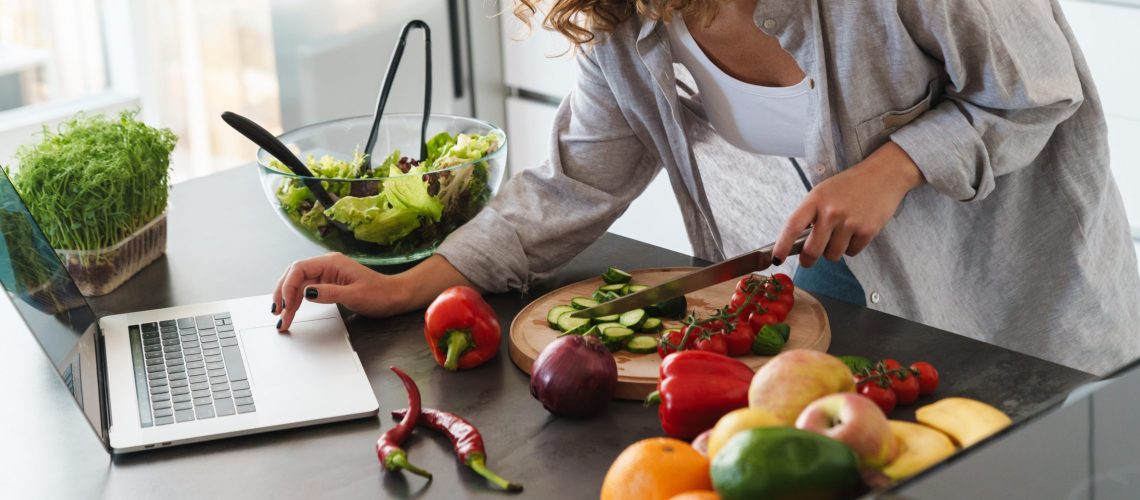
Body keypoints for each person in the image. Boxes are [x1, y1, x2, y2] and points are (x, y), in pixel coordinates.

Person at [272, 0, 1140, 375]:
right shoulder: (625, 23)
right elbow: (573, 182)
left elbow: (1038, 88)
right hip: (835, 302)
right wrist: (406, 285)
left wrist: (894, 166)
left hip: (1019, 307)